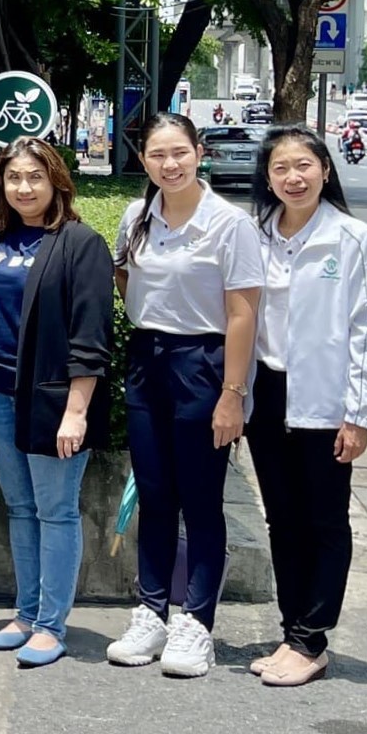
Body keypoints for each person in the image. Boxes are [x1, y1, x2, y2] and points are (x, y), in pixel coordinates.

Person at [104, 112, 262, 678]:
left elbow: (243, 313)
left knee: (199, 499)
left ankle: (197, 621)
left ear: (199, 152)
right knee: (153, 494)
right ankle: (151, 611)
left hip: (205, 362)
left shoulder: (230, 224)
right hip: (148, 358)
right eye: (157, 155)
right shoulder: (136, 216)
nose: (169, 164)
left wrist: (232, 393)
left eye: (179, 152)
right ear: (143, 160)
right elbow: (124, 275)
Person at [0, 138, 114, 668]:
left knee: (56, 511)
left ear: (56, 182)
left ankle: (50, 625)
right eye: (14, 177)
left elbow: (91, 338)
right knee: (20, 508)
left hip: (51, 402)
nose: (24, 187)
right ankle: (25, 615)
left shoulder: (80, 244)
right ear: (0, 182)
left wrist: (76, 411)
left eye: (35, 177)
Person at [247, 127, 367, 687]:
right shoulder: (255, 234)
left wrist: (360, 414)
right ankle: (293, 633)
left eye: (304, 165)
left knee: (325, 520)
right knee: (281, 519)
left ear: (325, 171)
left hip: (327, 399)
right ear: (268, 178)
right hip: (267, 394)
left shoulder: (354, 238)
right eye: (281, 168)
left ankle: (311, 639)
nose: (294, 177)